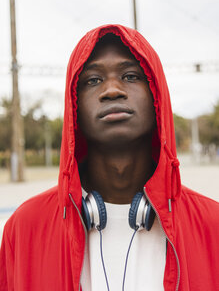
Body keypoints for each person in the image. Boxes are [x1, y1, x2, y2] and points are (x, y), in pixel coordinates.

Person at [0, 24, 218, 291]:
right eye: (92, 80)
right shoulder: (24, 228)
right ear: (74, 105)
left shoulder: (213, 226)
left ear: (157, 96)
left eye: (130, 76)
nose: (112, 90)